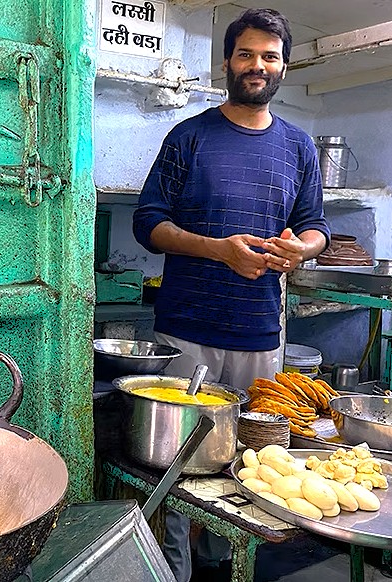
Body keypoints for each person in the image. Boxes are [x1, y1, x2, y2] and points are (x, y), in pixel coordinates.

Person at [132, 8, 331, 582]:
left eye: (269, 56)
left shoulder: (298, 146)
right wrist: (219, 249)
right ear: (227, 62)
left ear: (284, 67)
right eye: (246, 54)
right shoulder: (189, 136)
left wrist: (304, 249)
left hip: (260, 335)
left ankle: (224, 565)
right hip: (186, 332)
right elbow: (150, 223)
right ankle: (172, 568)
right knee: (177, 466)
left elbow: (314, 226)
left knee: (248, 462)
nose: (257, 66)